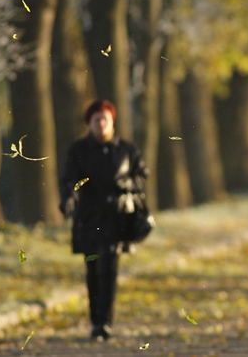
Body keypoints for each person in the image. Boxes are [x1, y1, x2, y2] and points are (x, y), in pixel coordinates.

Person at [59, 100, 149, 341]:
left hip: (117, 218)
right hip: (88, 218)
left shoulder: (127, 149)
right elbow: (70, 179)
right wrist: (69, 197)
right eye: (95, 119)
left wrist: (127, 184)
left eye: (104, 119)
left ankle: (104, 323)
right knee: (93, 269)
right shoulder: (78, 150)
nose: (100, 124)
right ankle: (95, 320)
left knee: (109, 267)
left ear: (112, 121)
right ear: (89, 123)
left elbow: (142, 176)